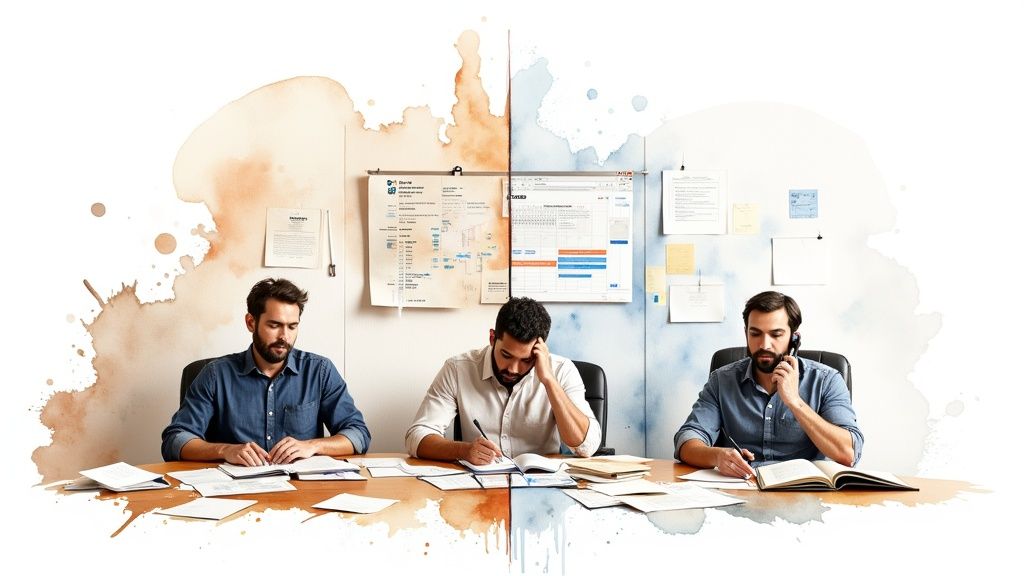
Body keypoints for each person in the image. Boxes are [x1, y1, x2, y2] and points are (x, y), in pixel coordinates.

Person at [162, 278, 370, 466]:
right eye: (274, 325)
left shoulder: (320, 371)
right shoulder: (215, 375)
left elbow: (358, 434)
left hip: (302, 493)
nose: (284, 336)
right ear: (251, 322)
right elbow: (176, 440)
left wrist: (313, 446)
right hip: (235, 493)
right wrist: (226, 450)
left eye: (292, 326)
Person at [674, 291, 863, 478]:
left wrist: (795, 402)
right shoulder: (722, 380)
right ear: (746, 333)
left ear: (794, 338)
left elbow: (848, 453)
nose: (764, 344)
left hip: (804, 494)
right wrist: (717, 456)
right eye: (755, 333)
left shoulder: (826, 380)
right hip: (740, 489)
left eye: (776, 334)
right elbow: (686, 441)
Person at [405, 297, 601, 464]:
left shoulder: (561, 370)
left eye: (526, 360)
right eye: (506, 355)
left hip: (542, 487)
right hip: (479, 486)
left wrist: (549, 381)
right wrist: (463, 451)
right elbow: (416, 437)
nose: (513, 369)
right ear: (492, 338)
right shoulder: (458, 369)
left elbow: (587, 447)